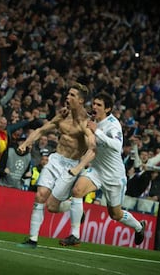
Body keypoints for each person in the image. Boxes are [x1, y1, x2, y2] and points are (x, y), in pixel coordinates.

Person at [58, 92, 145, 246]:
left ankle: (139, 227)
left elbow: (117, 146)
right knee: (77, 191)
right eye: (94, 104)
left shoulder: (113, 124)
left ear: (108, 109)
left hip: (114, 176)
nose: (95, 107)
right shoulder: (91, 120)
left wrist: (97, 131)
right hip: (97, 170)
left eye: (99, 105)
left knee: (115, 214)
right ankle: (75, 235)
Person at [17, 82, 95, 248]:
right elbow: (41, 131)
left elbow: (92, 148)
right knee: (39, 196)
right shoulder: (62, 116)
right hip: (56, 160)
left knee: (52, 207)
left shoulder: (86, 123)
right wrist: (26, 143)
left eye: (72, 95)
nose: (67, 97)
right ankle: (32, 239)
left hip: (71, 166)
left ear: (81, 101)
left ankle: (72, 208)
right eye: (68, 94)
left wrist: (82, 165)